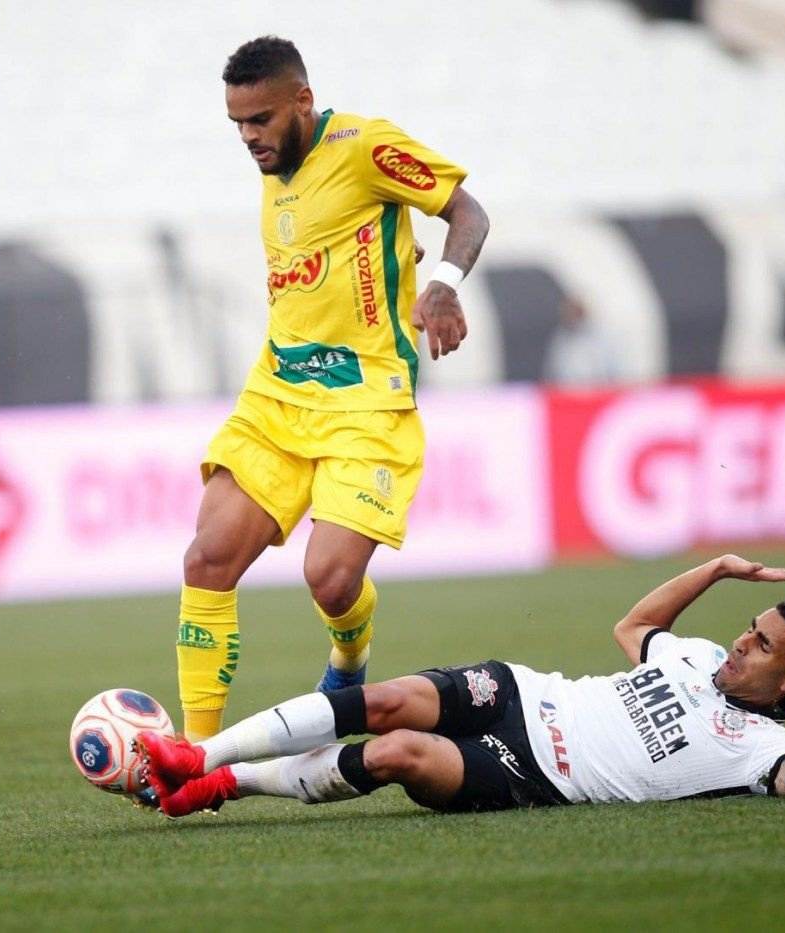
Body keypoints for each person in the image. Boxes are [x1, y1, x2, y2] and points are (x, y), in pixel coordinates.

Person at [176, 36, 490, 742]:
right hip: (278, 396)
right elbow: (341, 242)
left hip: (366, 404)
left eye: (260, 120)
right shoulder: (277, 163)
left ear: (302, 101)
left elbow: (468, 213)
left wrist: (440, 284)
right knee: (207, 558)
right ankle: (193, 754)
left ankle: (349, 656)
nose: (249, 137)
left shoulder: (364, 146)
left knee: (331, 580)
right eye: (237, 125)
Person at [137, 554, 785, 817]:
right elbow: (634, 627)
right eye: (750, 625)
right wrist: (718, 568)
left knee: (401, 750)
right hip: (523, 692)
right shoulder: (698, 656)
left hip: (537, 774)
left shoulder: (765, 746)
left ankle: (226, 782)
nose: (744, 640)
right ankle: (198, 755)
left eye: (763, 643)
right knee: (388, 700)